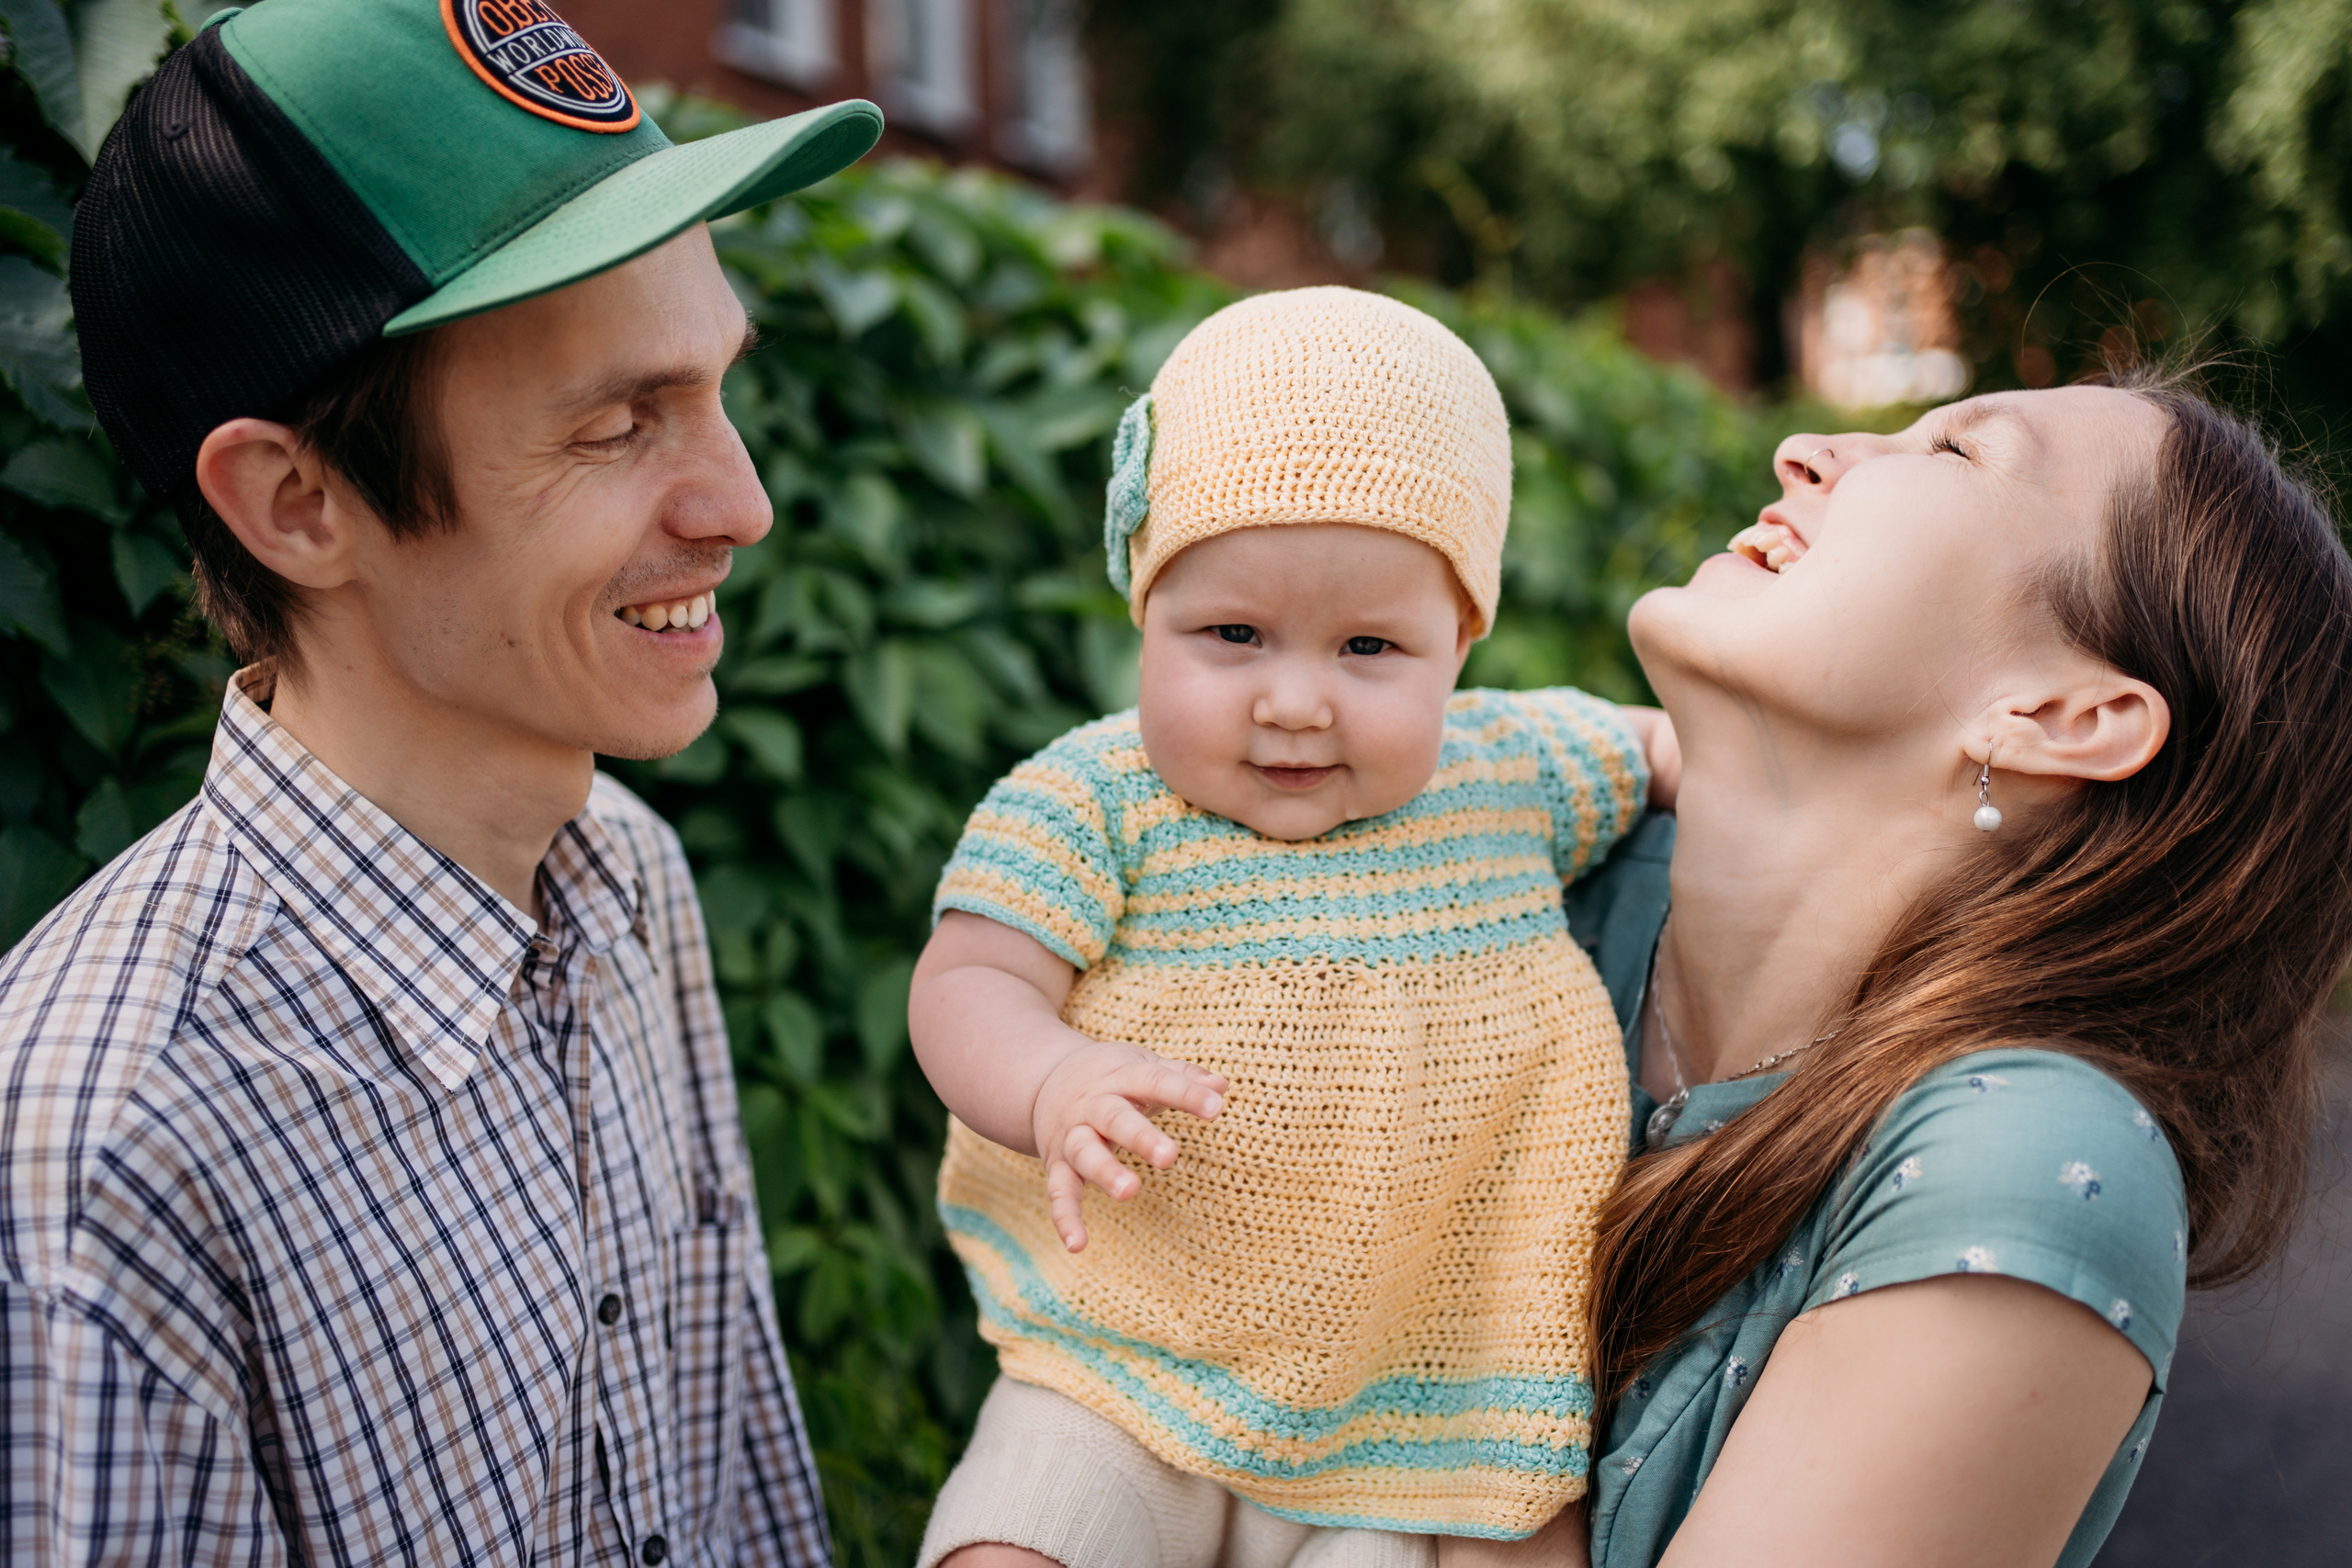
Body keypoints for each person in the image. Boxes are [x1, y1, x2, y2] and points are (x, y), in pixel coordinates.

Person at [0, 3, 881, 1562]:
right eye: (619, 425)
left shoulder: (629, 879)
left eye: (716, 386)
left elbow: (736, 1480)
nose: (741, 500)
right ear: (295, 501)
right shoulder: (116, 1140)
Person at [907, 288, 1675, 1568]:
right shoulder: (1096, 798)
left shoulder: (1512, 769)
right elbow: (971, 975)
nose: (1298, 701)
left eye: (1371, 645)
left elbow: (1665, 749)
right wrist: (1050, 1079)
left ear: (1459, 646)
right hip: (1125, 1362)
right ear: (1143, 616)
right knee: (1014, 1550)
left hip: (1424, 1403)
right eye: (1233, 635)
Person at [1564, 372, 2352, 1566]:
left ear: (2062, 714)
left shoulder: (2026, 1167)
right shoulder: (1529, 872)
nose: (1802, 450)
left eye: (1955, 452)